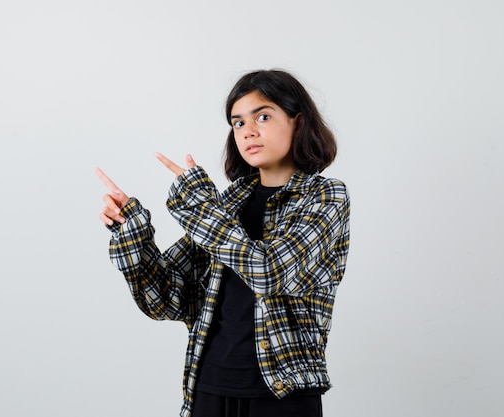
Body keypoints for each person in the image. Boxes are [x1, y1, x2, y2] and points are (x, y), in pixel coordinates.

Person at [96, 69, 351, 417]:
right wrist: (132, 230)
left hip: (283, 392)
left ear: (298, 120)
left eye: (263, 116)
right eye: (238, 123)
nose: (249, 131)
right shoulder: (229, 203)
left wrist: (199, 201)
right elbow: (166, 298)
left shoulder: (325, 197)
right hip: (208, 386)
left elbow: (269, 272)